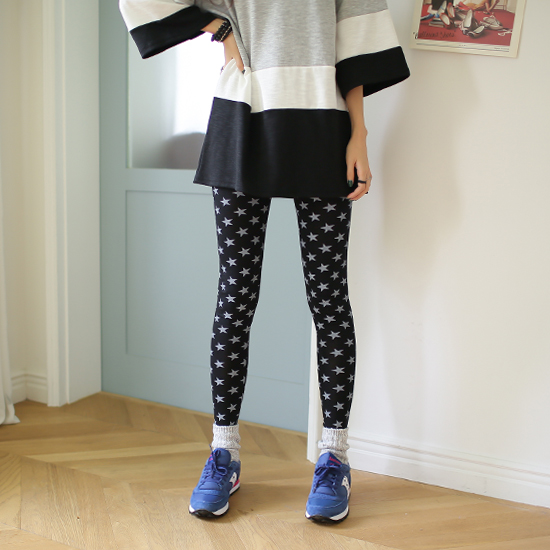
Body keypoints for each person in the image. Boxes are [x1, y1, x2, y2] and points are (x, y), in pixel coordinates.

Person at [119, 0, 409, 524]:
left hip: (325, 125)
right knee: (236, 294)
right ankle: (223, 452)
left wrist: (359, 133)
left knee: (328, 296)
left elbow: (355, 42)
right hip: (242, 123)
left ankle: (335, 456)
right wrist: (216, 25)